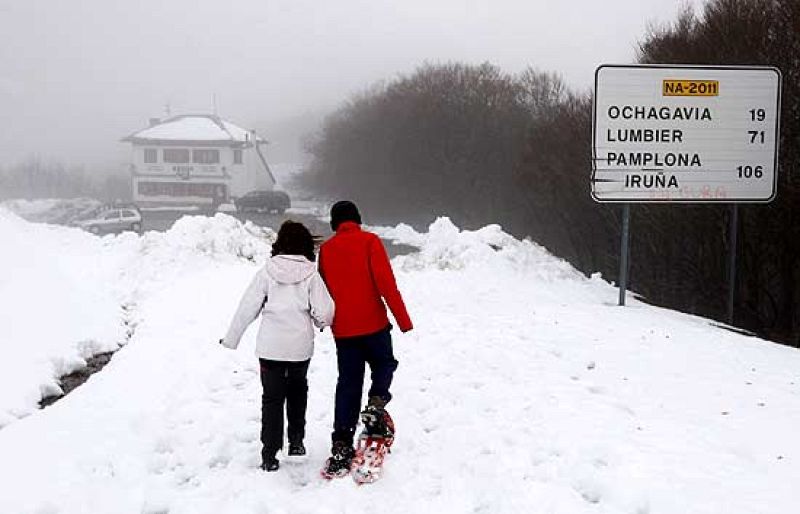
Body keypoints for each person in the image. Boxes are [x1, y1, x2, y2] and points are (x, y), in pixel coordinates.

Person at [220, 221, 334, 472]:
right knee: (297, 393)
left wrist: (232, 338)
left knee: (271, 399)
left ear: (280, 243)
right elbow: (325, 310)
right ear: (305, 244)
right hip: (299, 348)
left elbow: (246, 308)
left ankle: (269, 454)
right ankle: (296, 442)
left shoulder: (266, 272)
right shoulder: (311, 275)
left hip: (270, 348)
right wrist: (319, 321)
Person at [319, 201, 414, 477]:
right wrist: (403, 321)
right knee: (385, 364)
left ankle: (341, 443)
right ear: (357, 219)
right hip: (374, 325)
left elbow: (322, 292)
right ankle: (376, 403)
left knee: (348, 384)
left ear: (334, 223)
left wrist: (323, 322)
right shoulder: (370, 242)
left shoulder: (325, 251)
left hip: (344, 331)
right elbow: (386, 283)